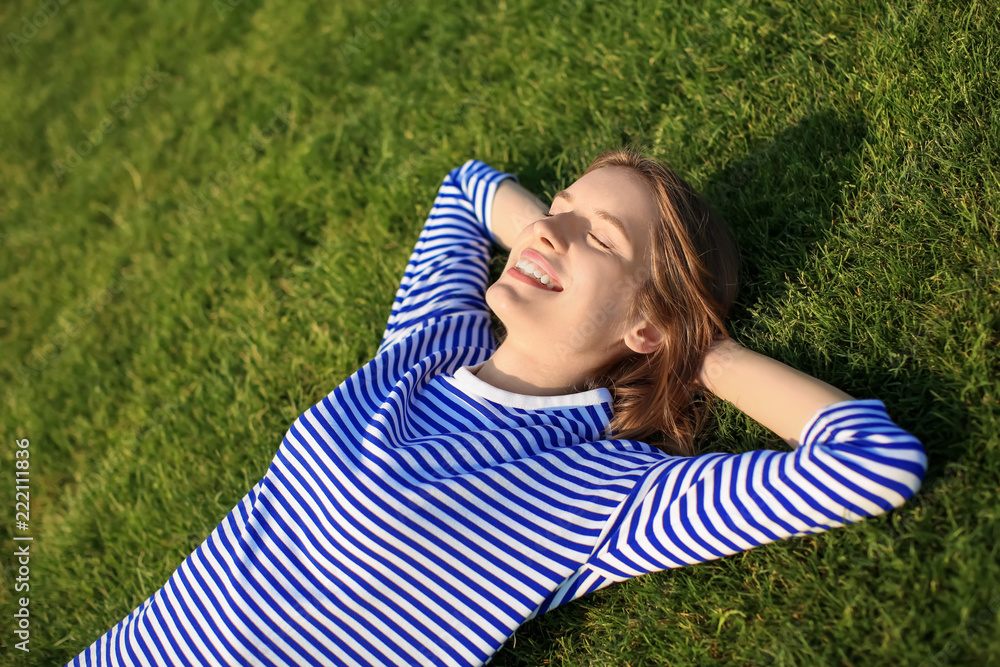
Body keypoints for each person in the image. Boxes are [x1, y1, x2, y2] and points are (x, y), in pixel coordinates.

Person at [67, 149, 927, 667]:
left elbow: (867, 463)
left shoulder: (600, 492)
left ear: (644, 326)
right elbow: (467, 186)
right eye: (559, 211)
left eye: (602, 237)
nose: (549, 231)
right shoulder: (435, 339)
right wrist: (557, 230)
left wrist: (699, 348)